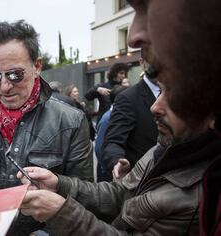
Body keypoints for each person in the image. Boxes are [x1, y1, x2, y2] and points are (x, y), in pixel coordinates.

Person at [17, 0, 221, 234]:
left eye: (145, 8)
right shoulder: (165, 146)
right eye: (161, 89)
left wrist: (61, 213)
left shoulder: (204, 193)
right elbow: (121, 193)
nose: (132, 37)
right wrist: (59, 184)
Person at [0, 20, 93, 235]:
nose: (5, 86)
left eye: (15, 74)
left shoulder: (70, 121)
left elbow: (84, 195)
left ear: (37, 66)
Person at [101, 56, 159, 181]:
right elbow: (113, 142)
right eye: (152, 55)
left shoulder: (180, 92)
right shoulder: (128, 98)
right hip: (145, 183)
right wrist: (117, 162)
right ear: (142, 62)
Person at [94, 85, 128, 181]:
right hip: (109, 172)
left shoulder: (120, 115)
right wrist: (108, 168)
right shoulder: (108, 118)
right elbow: (99, 148)